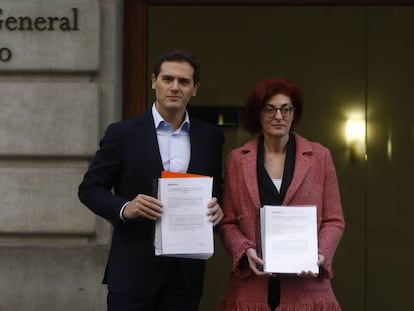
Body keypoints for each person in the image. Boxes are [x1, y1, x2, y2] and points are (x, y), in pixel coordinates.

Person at [78, 49, 224, 311]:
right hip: (133, 273)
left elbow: (218, 190)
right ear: (153, 81)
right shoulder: (122, 133)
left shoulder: (210, 138)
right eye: (167, 79)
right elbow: (89, 188)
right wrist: (125, 208)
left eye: (184, 82)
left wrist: (218, 209)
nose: (175, 87)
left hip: (185, 274)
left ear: (195, 89)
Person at [217, 77, 345, 311]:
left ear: (294, 114)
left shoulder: (319, 157)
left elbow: (334, 220)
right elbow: (227, 223)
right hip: (251, 288)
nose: (279, 116)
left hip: (307, 288)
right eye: (270, 109)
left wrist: (319, 255)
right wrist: (245, 249)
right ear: (258, 114)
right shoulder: (237, 160)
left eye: (286, 109)